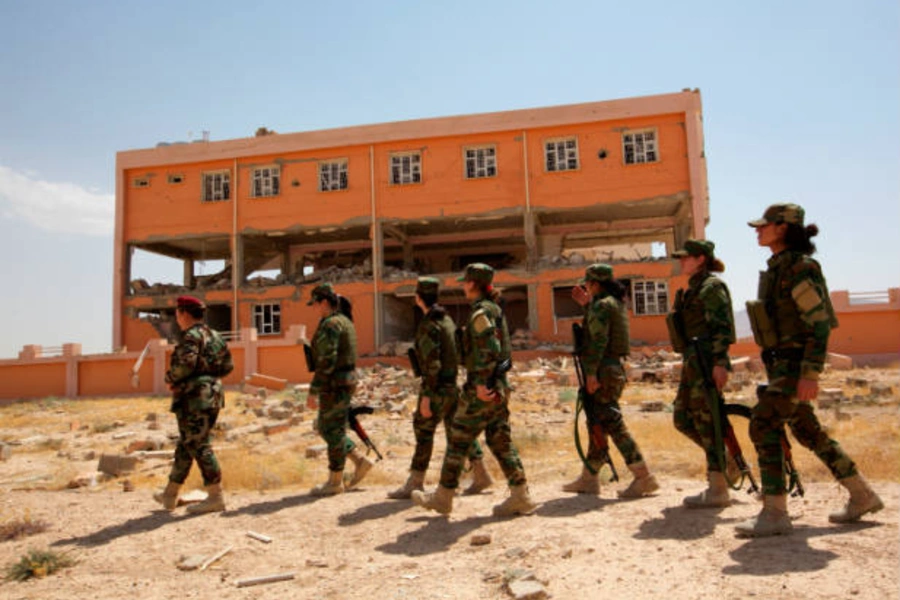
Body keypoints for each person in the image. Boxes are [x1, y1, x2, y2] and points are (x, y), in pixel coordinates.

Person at [737, 203, 883, 537]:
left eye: (765, 225)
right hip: (783, 364)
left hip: (795, 364)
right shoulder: (779, 267)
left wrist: (810, 374)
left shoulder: (799, 268)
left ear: (784, 228)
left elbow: (819, 324)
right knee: (807, 430)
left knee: (764, 423)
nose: (758, 230)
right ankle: (862, 495)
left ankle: (774, 511)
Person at [412, 263, 537, 516]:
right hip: (499, 385)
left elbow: (488, 348)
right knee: (499, 440)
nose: (462, 286)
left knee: (458, 438)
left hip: (484, 387)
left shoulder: (481, 313)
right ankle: (520, 495)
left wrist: (481, 384)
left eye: (465, 282)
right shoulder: (495, 310)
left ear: (472, 284)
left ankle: (443, 497)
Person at [388, 277, 492, 499]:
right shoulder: (447, 321)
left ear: (418, 298)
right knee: (458, 432)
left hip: (436, 390)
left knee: (423, 431)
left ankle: (415, 481)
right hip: (452, 387)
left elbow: (432, 365)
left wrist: (426, 396)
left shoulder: (429, 324)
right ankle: (481, 473)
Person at [563, 263, 659, 498]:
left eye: (588, 283)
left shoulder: (602, 306)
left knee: (612, 423)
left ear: (594, 284)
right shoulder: (611, 303)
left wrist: (592, 373)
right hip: (611, 368)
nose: (586, 287)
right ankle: (589, 477)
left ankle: (643, 476)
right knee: (597, 422)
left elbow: (597, 341)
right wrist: (588, 305)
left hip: (603, 370)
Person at [667, 239, 736, 507]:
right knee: (683, 419)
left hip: (707, 362)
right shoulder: (694, 289)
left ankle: (717, 488)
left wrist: (721, 363)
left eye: (686, 257)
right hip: (693, 361)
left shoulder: (711, 287)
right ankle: (727, 461)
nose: (682, 261)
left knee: (707, 422)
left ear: (701, 259)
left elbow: (722, 327)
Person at [153, 295, 234, 514]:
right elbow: (228, 366)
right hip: (212, 395)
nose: (177, 318)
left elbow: (186, 364)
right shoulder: (215, 336)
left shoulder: (191, 336)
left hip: (194, 397)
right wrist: (210, 377)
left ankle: (216, 496)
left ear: (185, 313)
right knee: (189, 443)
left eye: (178, 313)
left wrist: (172, 378)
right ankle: (170, 494)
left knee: (199, 444)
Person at [305, 282, 374, 496]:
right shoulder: (344, 321)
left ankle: (335, 481)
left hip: (334, 383)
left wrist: (314, 389)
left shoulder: (331, 324)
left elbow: (327, 359)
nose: (314, 308)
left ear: (324, 302)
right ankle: (359, 461)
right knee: (330, 427)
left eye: (315, 304)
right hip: (344, 380)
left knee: (330, 429)